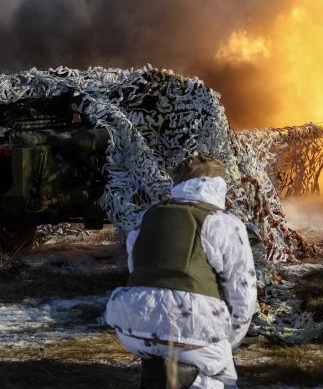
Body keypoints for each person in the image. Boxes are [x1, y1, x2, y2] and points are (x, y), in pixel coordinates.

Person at [106, 155, 258, 389]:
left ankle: (166, 373)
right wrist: (229, 341)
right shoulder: (223, 223)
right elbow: (242, 291)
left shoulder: (148, 216)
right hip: (193, 331)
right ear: (219, 186)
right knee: (220, 376)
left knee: (182, 358)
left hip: (132, 328)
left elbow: (137, 270)